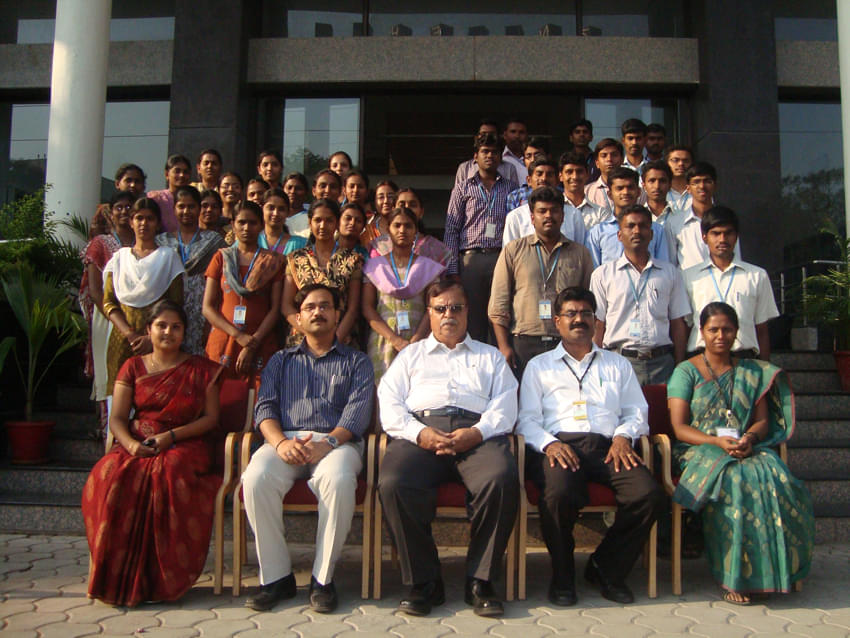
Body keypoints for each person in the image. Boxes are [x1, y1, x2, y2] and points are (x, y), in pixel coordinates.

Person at [378, 279, 519, 617]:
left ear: (468, 311)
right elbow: (389, 402)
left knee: (501, 478)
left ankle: (480, 581)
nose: (449, 315)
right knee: (394, 482)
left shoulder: (490, 357)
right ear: (429, 313)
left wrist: (479, 431)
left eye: (456, 307)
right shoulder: (410, 356)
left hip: (476, 435)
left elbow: (506, 404)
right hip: (421, 434)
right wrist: (418, 432)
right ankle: (425, 583)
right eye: (441, 309)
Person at [517, 287, 665, 606]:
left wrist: (625, 436)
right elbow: (526, 420)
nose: (579, 319)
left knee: (648, 495)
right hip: (559, 447)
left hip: (609, 447)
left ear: (596, 321)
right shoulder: (539, 367)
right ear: (557, 321)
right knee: (557, 495)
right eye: (571, 314)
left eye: (586, 313)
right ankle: (563, 575)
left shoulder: (617, 365)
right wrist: (549, 444)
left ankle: (605, 568)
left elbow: (637, 411)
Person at [667, 302, 813, 604]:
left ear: (736, 333)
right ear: (702, 333)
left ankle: (773, 570)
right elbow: (679, 428)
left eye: (727, 329)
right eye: (713, 330)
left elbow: (762, 421)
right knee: (735, 480)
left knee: (777, 477)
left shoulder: (750, 372)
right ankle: (735, 577)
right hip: (699, 449)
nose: (720, 335)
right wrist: (717, 443)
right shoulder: (686, 371)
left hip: (745, 447)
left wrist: (748, 437)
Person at [242, 284, 374, 613]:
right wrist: (281, 443)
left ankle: (322, 579)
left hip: (336, 442)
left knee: (340, 480)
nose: (318, 312)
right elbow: (265, 409)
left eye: (325, 306)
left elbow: (357, 415)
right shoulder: (279, 361)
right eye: (311, 307)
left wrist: (326, 443)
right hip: (285, 441)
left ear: (337, 315)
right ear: (298, 318)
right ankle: (276, 578)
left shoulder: (357, 362)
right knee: (255, 478)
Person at [82, 300, 223, 607]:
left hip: (186, 442)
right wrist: (131, 445)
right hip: (137, 441)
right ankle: (114, 573)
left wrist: (170, 437)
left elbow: (210, 419)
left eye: (176, 327)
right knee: (110, 474)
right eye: (161, 326)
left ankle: (164, 579)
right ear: (148, 330)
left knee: (168, 472)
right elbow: (118, 418)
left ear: (185, 332)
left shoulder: (201, 370)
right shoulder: (132, 366)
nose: (168, 332)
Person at [490, 186, 594, 377]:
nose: (549, 216)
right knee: (526, 404)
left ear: (563, 216)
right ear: (532, 217)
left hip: (566, 342)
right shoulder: (514, 250)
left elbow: (590, 304)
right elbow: (499, 303)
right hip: (523, 342)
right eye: (542, 211)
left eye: (554, 211)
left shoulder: (580, 254)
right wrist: (504, 347)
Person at [590, 205, 690, 384]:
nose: (637, 231)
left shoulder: (669, 273)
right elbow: (598, 324)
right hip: (619, 362)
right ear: (619, 235)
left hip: (662, 363)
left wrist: (680, 365)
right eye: (630, 226)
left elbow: (677, 322)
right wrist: (596, 366)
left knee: (661, 412)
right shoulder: (603, 275)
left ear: (651, 234)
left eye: (643, 226)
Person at [102, 198, 185, 403]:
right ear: (131, 222)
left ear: (157, 224)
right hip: (121, 340)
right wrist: (129, 333)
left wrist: (151, 337)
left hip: (157, 342)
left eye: (150, 219)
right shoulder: (120, 259)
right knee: (119, 398)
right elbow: (108, 302)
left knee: (153, 398)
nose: (143, 223)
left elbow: (175, 303)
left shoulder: (168, 258)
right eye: (139, 218)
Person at [444, 132, 518, 341]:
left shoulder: (511, 188)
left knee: (500, 316)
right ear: (475, 156)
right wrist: (453, 270)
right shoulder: (462, 188)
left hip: (500, 258)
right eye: (485, 152)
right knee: (472, 319)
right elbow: (451, 230)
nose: (490, 156)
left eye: (495, 152)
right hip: (470, 259)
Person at [203, 202, 284, 390]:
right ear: (233, 225)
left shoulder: (273, 262)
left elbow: (275, 309)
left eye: (253, 223)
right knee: (220, 397)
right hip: (224, 340)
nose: (246, 228)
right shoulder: (221, 258)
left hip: (260, 341)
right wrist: (238, 336)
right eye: (241, 222)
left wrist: (251, 343)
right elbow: (207, 307)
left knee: (259, 401)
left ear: (262, 226)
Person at [682, 206, 778, 360]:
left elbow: (762, 329)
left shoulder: (757, 275)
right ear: (704, 237)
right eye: (716, 233)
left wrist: (765, 371)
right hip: (701, 361)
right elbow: (685, 327)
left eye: (728, 233)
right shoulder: (688, 277)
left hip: (745, 359)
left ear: (736, 236)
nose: (722, 239)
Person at [362, 207, 445, 382]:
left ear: (415, 231)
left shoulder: (428, 267)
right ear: (388, 230)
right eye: (397, 225)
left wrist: (416, 340)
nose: (402, 230)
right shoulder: (374, 267)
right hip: (382, 342)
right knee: (382, 394)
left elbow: (433, 307)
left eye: (408, 226)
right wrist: (394, 339)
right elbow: (367, 307)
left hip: (419, 341)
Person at [79, 191, 135, 436]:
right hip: (107, 315)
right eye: (119, 207)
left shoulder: (142, 240)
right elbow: (94, 289)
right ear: (111, 213)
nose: (124, 212)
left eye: (128, 207)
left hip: (137, 317)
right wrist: (115, 315)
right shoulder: (100, 243)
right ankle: (107, 429)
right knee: (107, 370)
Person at [282, 199, 363, 347]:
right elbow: (287, 306)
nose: (323, 226)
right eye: (318, 220)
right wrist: (311, 336)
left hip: (341, 339)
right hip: (302, 340)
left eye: (329, 220)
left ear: (337, 223)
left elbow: (353, 309)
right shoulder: (296, 258)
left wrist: (333, 339)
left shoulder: (353, 259)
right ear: (309, 222)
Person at [156, 185, 227, 355]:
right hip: (169, 310)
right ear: (174, 209)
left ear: (199, 209)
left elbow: (222, 281)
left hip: (202, 311)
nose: (186, 211)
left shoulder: (214, 241)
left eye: (191, 206)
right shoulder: (161, 242)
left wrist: (212, 322)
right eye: (181, 206)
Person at [585, 168, 669, 267]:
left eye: (630, 187)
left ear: (638, 192)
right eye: (619, 188)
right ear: (610, 194)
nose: (625, 192)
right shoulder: (597, 233)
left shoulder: (655, 230)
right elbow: (594, 272)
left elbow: (664, 267)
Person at [665, 162, 741, 270]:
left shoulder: (727, 218)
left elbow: (736, 256)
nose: (702, 186)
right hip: (689, 284)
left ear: (715, 186)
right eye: (696, 182)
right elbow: (671, 262)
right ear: (688, 188)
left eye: (707, 181)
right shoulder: (674, 222)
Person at [502, 159, 586, 246]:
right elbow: (509, 255)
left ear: (557, 180)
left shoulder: (574, 214)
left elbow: (580, 252)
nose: (544, 178)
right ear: (529, 180)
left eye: (549, 175)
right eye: (539, 174)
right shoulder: (515, 217)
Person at [369, 187, 452, 267]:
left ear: (421, 212)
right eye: (402, 204)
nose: (407, 208)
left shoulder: (434, 248)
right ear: (393, 210)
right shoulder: (380, 246)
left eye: (413, 205)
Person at [455, 119, 519, 185]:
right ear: (476, 137)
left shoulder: (509, 168)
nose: (487, 137)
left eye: (492, 134)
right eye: (483, 134)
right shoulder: (465, 168)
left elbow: (515, 193)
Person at [91, 164, 147, 237]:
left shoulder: (147, 211)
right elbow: (95, 239)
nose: (133, 185)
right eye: (128, 180)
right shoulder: (105, 211)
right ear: (117, 184)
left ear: (143, 187)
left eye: (137, 181)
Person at [559, 151, 606, 230]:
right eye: (569, 172)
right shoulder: (553, 210)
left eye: (579, 171)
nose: (575, 177)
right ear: (560, 176)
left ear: (587, 175)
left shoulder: (600, 213)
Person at [147, 154, 192, 233]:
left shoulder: (194, 200)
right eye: (177, 171)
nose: (182, 175)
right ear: (167, 174)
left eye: (185, 172)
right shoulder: (157, 198)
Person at [506, 136, 551, 212]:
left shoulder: (561, 193)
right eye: (528, 156)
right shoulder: (515, 196)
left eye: (537, 155)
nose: (533, 160)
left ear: (548, 156)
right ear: (524, 160)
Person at [258, 188, 308, 256]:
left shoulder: (301, 244)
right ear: (262, 209)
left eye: (281, 209)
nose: (276, 213)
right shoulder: (252, 241)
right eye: (271, 208)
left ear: (288, 212)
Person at [584, 139, 624, 215]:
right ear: (597, 163)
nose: (609, 159)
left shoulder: (632, 189)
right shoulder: (587, 191)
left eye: (614, 155)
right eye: (604, 155)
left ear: (622, 160)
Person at [359, 178, 395, 246]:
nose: (386, 201)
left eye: (390, 196)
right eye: (381, 197)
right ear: (375, 202)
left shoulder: (405, 227)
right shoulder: (367, 230)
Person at [641, 161, 678, 227]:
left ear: (670, 185)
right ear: (644, 186)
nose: (657, 186)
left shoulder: (680, 216)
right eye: (652, 181)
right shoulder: (638, 215)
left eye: (662, 181)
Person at [665, 145, 694, 213]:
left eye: (686, 161)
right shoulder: (661, 190)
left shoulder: (697, 190)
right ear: (667, 163)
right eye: (675, 160)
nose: (681, 164)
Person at [283, 171, 311, 237]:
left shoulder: (310, 218)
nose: (292, 192)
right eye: (289, 188)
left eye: (298, 188)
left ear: (306, 193)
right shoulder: (276, 216)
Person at [501, 116, 529, 183]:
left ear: (527, 135)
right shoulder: (500, 159)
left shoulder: (533, 158)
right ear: (505, 135)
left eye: (521, 132)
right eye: (513, 132)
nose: (517, 136)